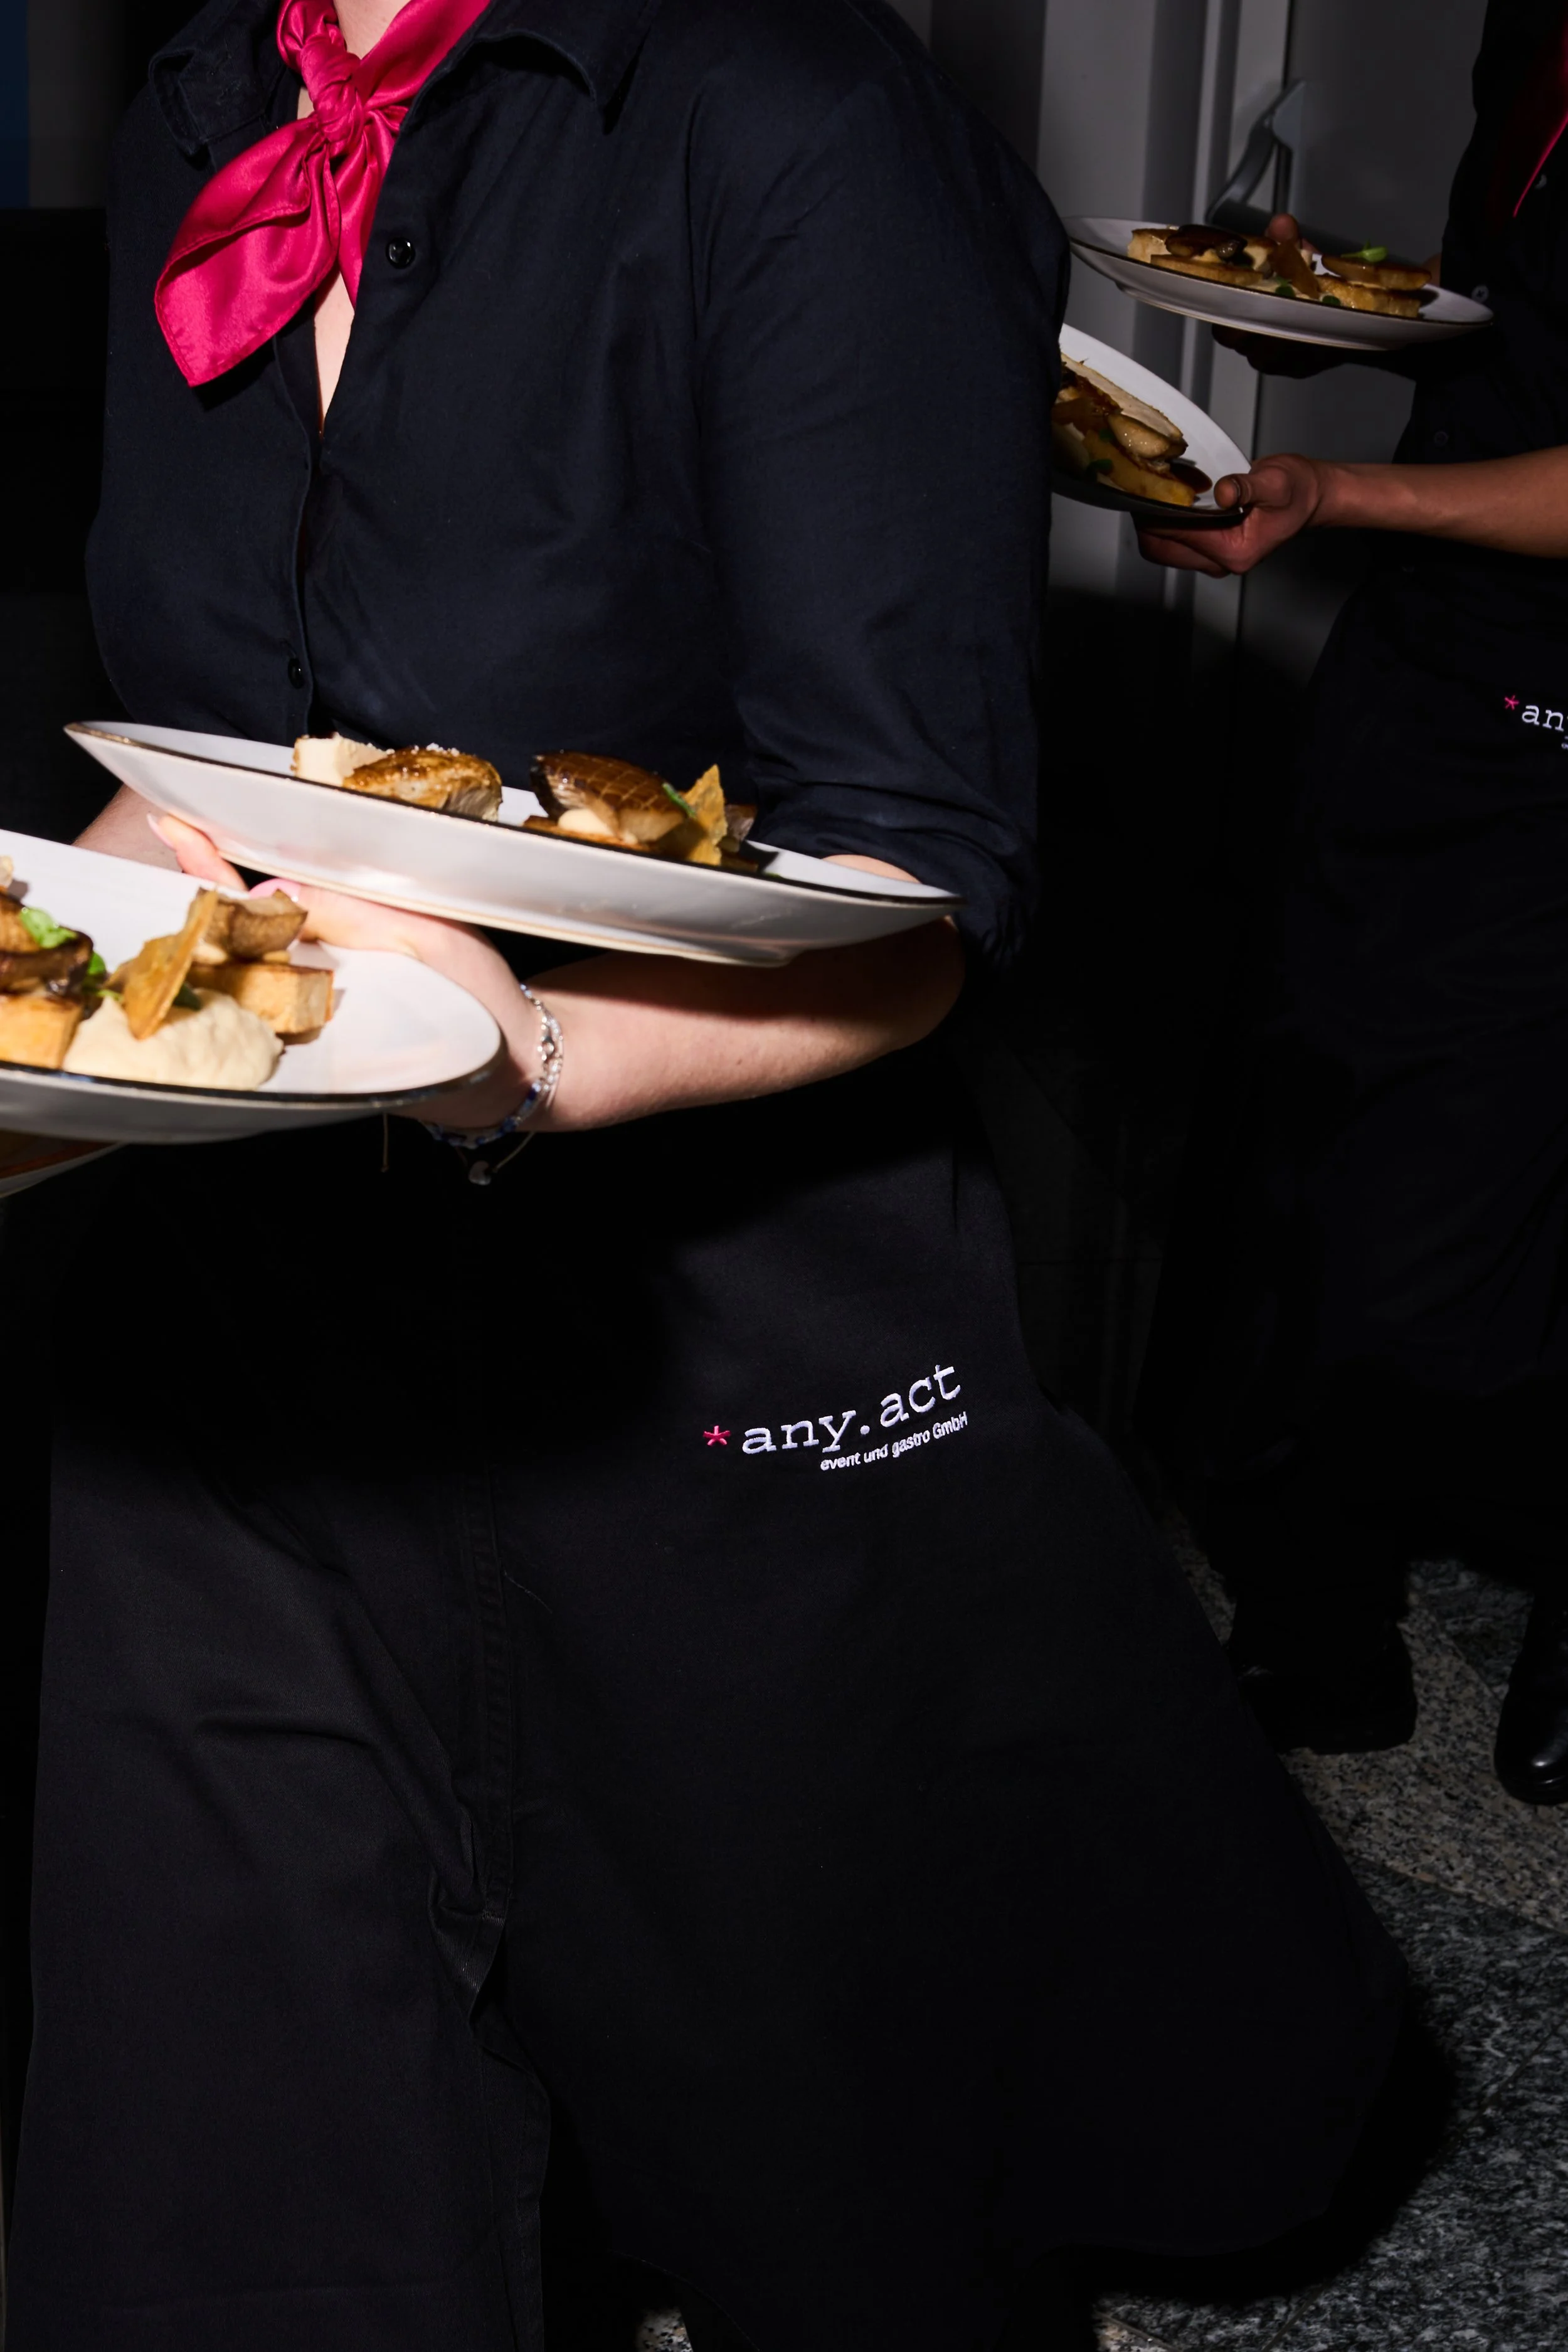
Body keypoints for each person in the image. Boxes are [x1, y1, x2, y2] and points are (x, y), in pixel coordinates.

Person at [6, 3, 1404, 2347]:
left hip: (709, 1305)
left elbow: (921, 890)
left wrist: (511, 1054)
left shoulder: (795, 120)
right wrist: (69, 980)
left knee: (832, 2192)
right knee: (226, 2171)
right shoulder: (197, 115)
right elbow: (216, 753)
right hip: (239, 1319)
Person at [1137, 2, 1568, 1803]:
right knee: (1321, 1110)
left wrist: (1333, 491)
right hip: (1433, 661)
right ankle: (1317, 1598)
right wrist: (1337, 304)